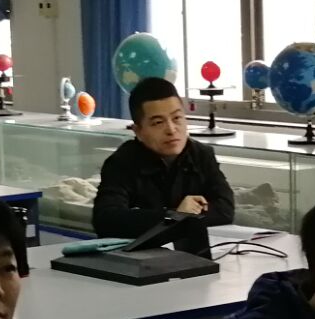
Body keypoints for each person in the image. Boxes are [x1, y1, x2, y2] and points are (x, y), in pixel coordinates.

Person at [91, 77, 235, 246]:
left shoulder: (201, 155)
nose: (171, 130)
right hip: (141, 255)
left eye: (177, 118)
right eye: (158, 122)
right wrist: (175, 216)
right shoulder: (122, 163)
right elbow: (106, 220)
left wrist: (180, 218)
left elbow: (225, 210)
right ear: (138, 131)